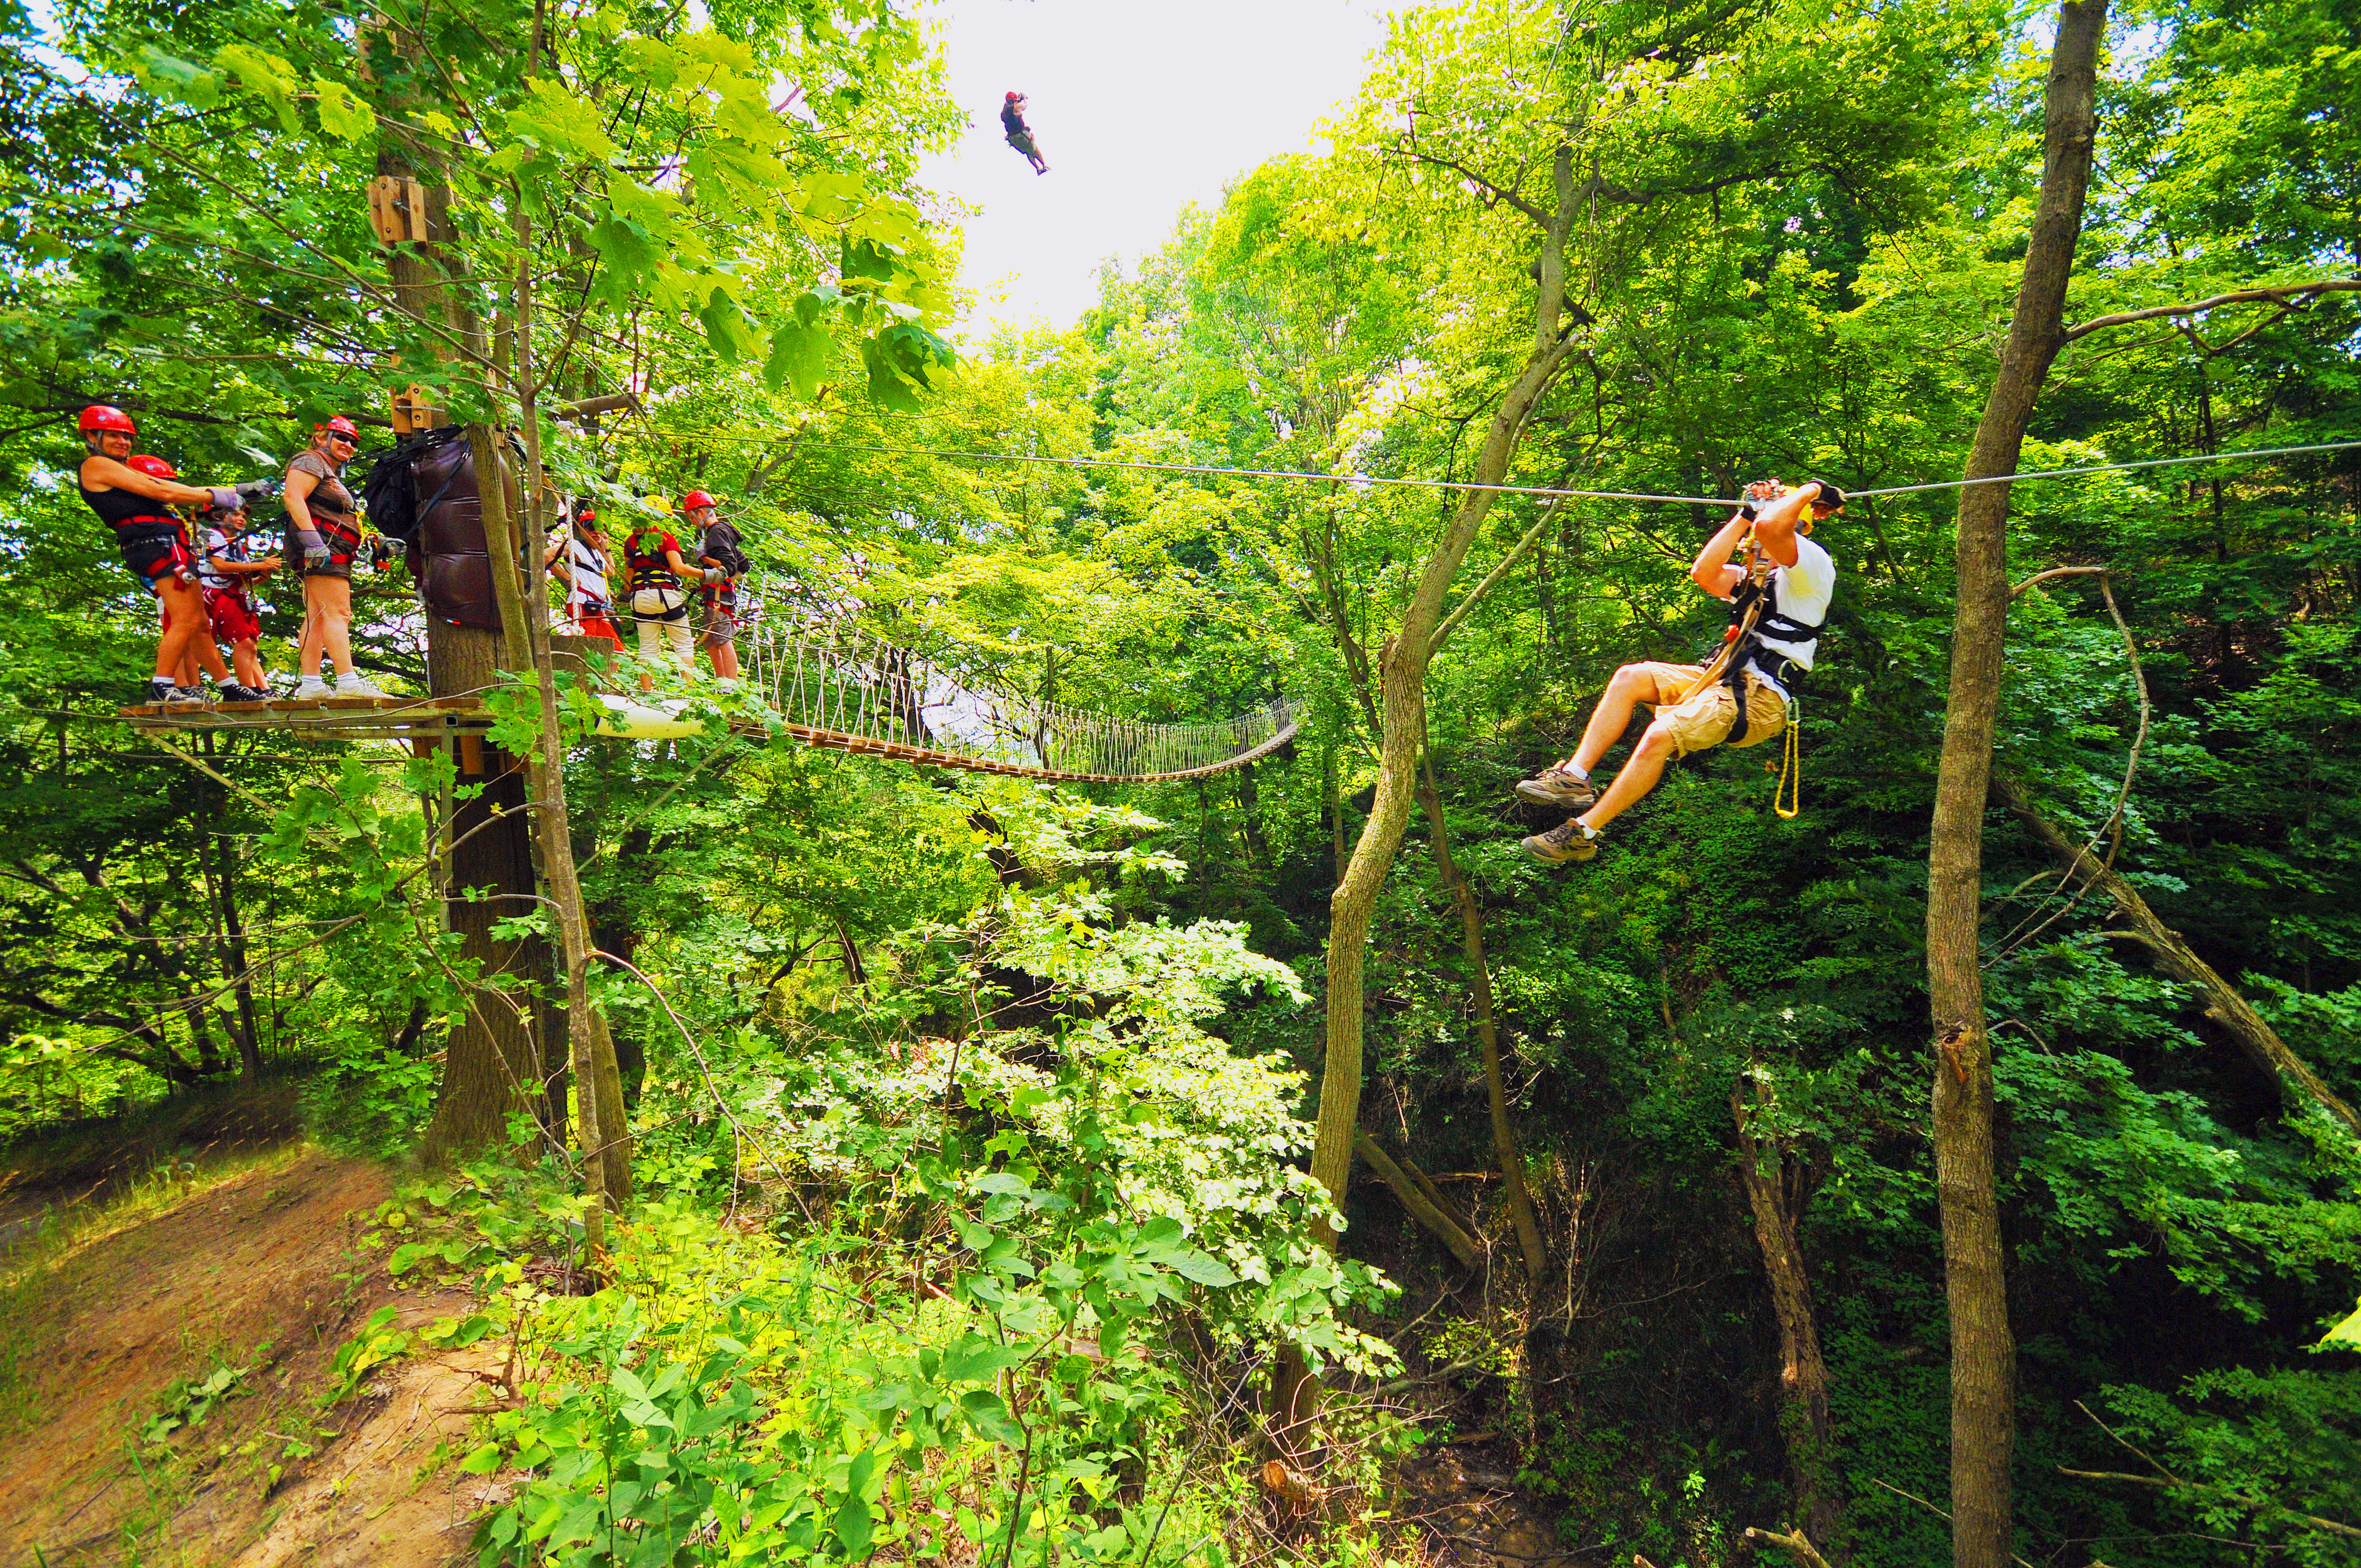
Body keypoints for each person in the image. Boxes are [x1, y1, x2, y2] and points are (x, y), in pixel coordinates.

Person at [1517, 478, 1844, 864]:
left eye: (1756, 533)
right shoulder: (1758, 578)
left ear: (1791, 531)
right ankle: (1575, 775)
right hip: (1723, 680)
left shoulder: (1812, 567)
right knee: (1630, 678)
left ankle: (1582, 832)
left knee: (1659, 735)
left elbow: (1772, 529)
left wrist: (1809, 490)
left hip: (1761, 700)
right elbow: (1704, 573)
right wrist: (1744, 514)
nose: (1747, 543)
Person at [74, 410, 264, 705]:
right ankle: (162, 685)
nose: (123, 441)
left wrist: (237, 491)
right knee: (187, 619)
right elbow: (161, 491)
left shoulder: (125, 471)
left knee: (200, 622)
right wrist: (216, 497)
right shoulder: (96, 465)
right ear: (91, 437)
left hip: (169, 546)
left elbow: (176, 488)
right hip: (155, 546)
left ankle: (226, 685)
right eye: (114, 435)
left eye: (127, 436)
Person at [284, 415, 387, 699]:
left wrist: (373, 543)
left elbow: (338, 516)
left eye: (353, 442)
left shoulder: (328, 473)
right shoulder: (310, 461)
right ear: (320, 438)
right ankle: (348, 681)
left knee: (316, 616)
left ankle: (312, 684)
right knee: (339, 613)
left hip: (329, 546)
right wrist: (313, 541)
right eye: (342, 437)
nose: (349, 445)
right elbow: (293, 497)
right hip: (321, 547)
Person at [197, 498, 281, 693]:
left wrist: (261, 577)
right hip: (216, 595)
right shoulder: (213, 536)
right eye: (235, 514)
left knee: (250, 646)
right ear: (218, 515)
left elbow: (238, 578)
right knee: (243, 643)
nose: (242, 519)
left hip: (233, 595)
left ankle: (263, 689)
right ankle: (249, 689)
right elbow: (220, 566)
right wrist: (260, 565)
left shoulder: (235, 544)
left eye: (244, 516)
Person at [621, 507, 700, 690]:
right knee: (683, 645)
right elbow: (679, 568)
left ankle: (647, 694)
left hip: (641, 597)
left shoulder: (631, 543)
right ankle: (688, 691)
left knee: (648, 648)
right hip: (666, 594)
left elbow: (630, 578)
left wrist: (625, 591)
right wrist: (706, 574)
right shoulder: (665, 537)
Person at [681, 489, 747, 692]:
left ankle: (730, 685)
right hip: (714, 593)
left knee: (722, 638)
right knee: (710, 641)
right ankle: (722, 682)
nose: (692, 521)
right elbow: (744, 563)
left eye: (692, 517)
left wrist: (704, 559)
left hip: (720, 595)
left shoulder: (717, 533)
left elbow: (730, 566)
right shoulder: (720, 532)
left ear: (701, 513)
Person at [546, 503, 623, 651]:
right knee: (586, 646)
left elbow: (611, 571)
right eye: (591, 527)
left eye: (599, 528)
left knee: (616, 650)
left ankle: (608, 674)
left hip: (599, 608)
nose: (596, 532)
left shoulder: (598, 552)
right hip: (584, 604)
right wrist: (567, 577)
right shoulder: (574, 545)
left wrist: (605, 546)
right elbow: (546, 555)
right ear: (582, 529)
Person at [1000, 91, 1048, 175]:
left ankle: (1038, 168)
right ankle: (1044, 165)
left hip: (1012, 139)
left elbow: (1013, 111)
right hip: (1021, 135)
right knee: (1034, 148)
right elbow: (1024, 106)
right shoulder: (1015, 108)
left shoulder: (1004, 112)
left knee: (1028, 151)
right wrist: (1025, 99)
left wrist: (1019, 100)